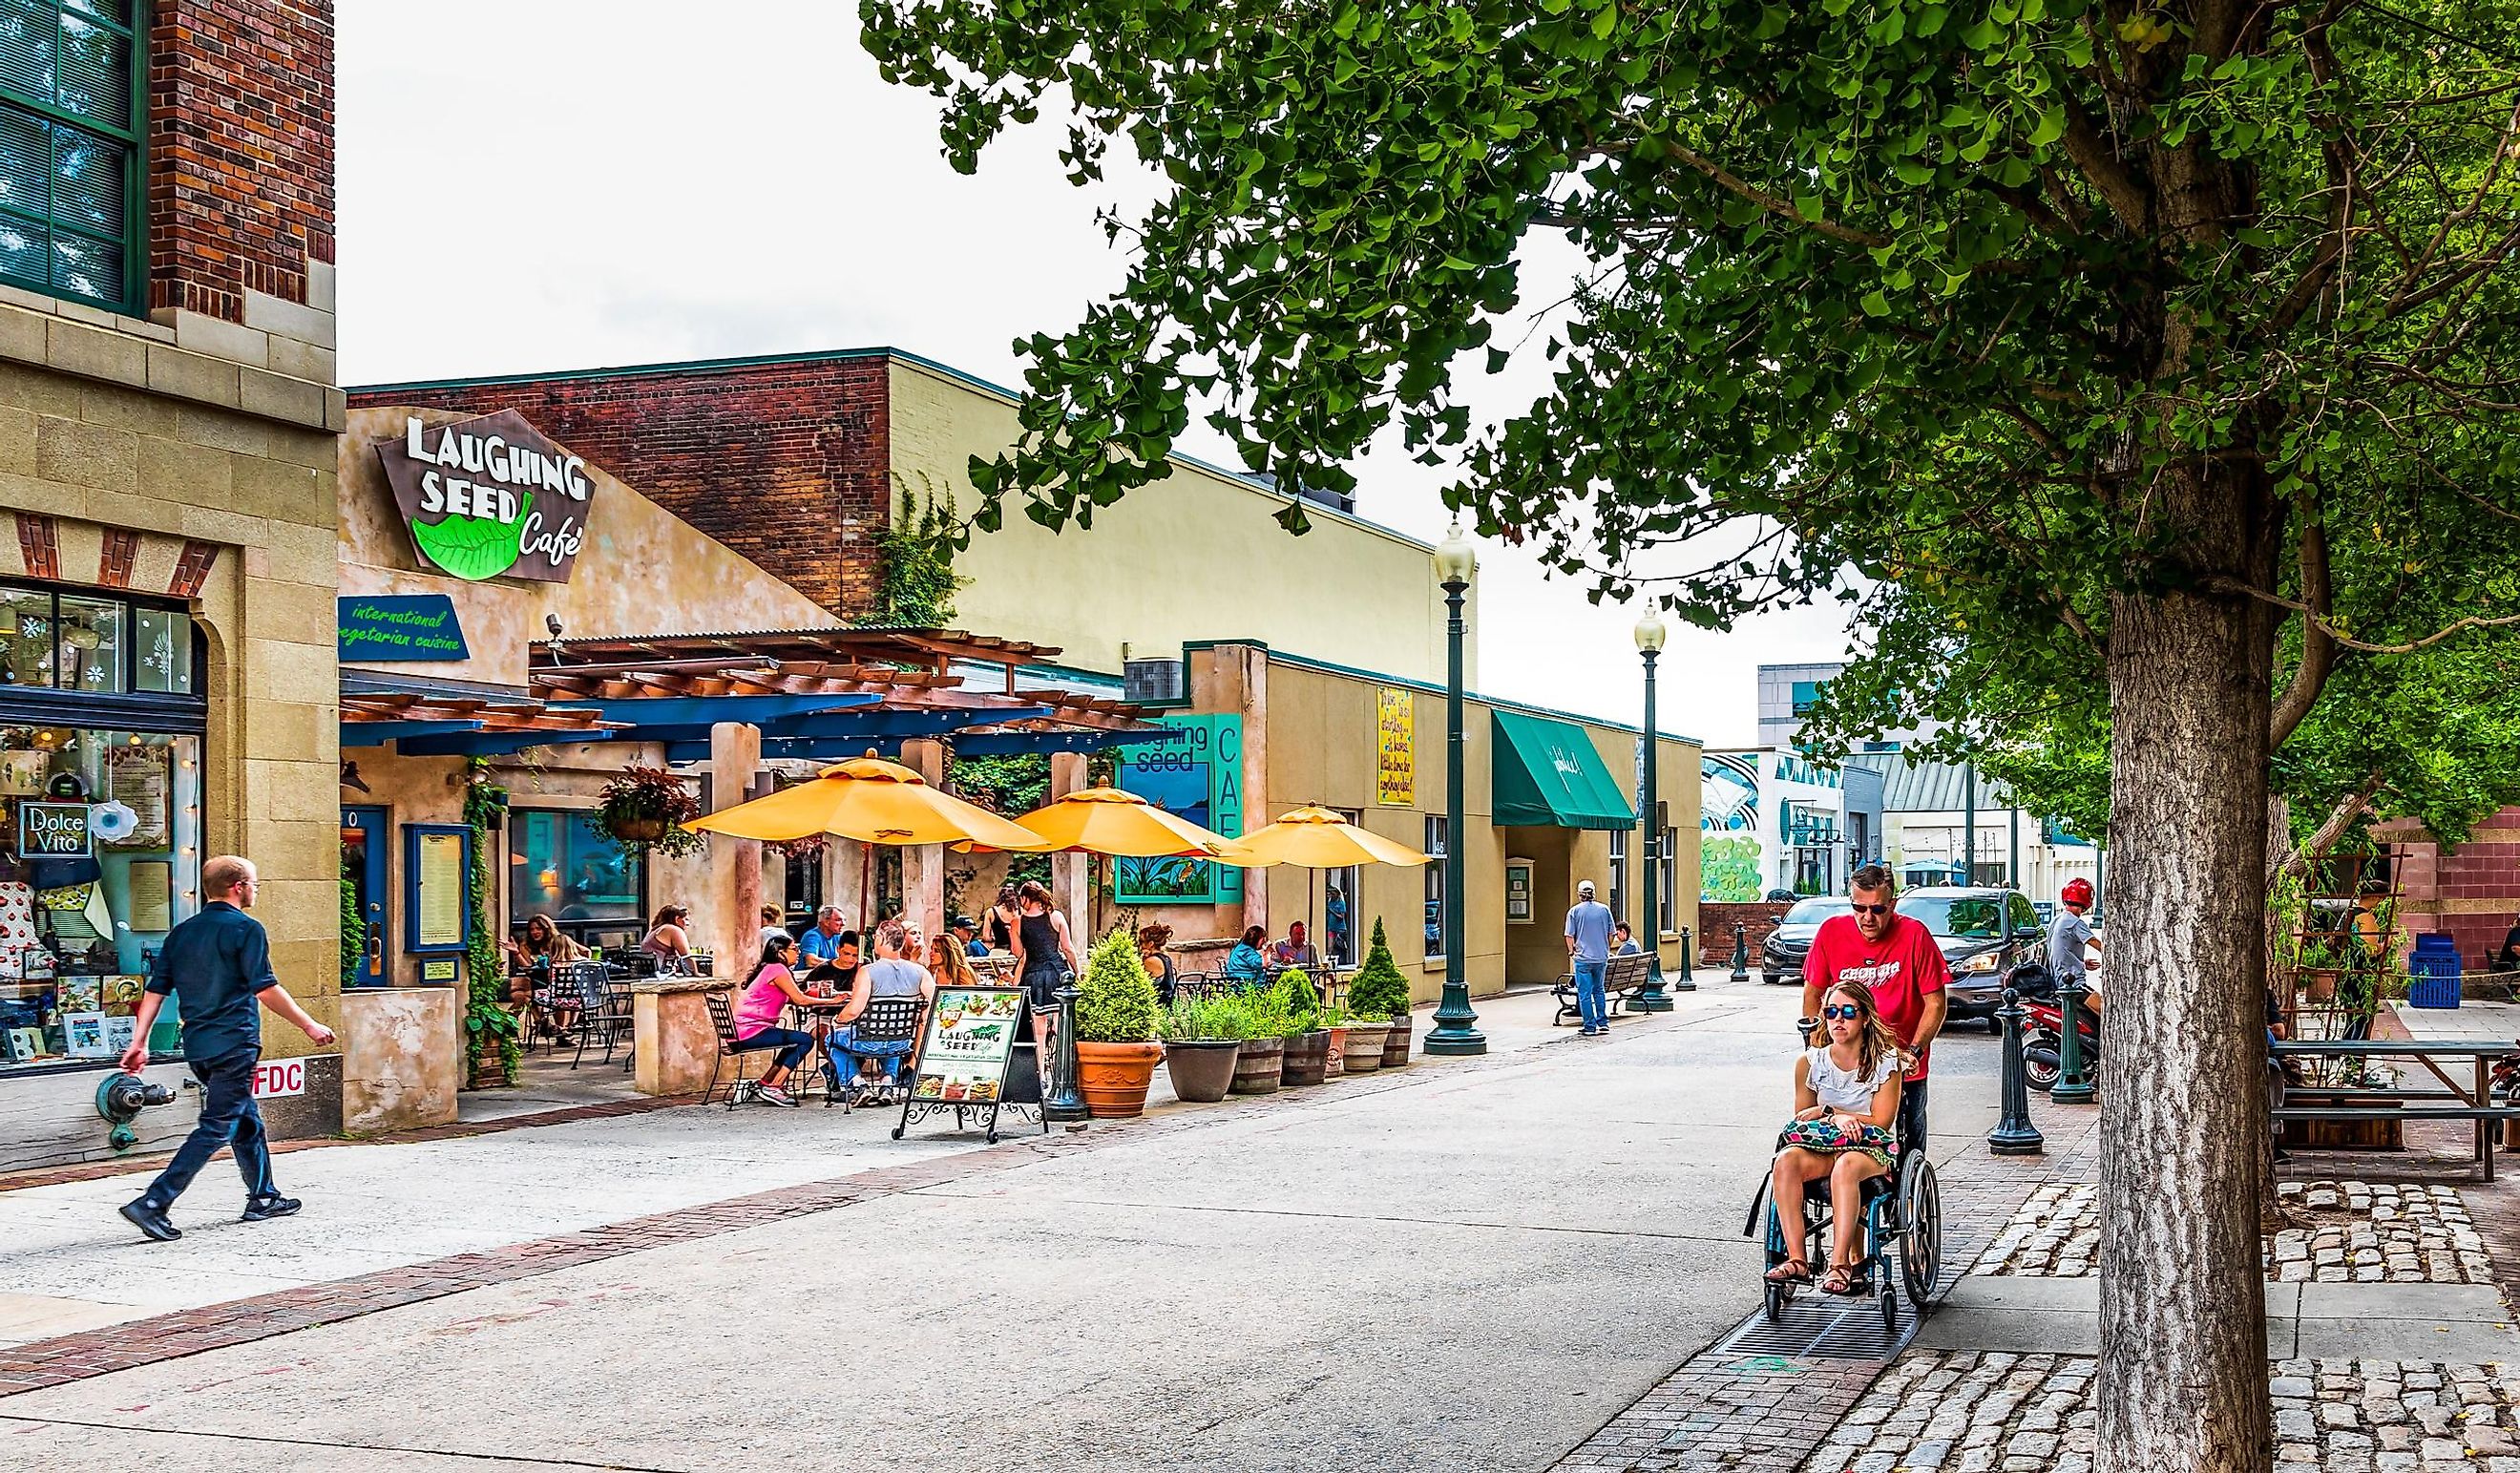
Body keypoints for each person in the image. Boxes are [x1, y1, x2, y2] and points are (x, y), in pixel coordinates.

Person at [116, 856, 336, 1241]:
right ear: (238, 887)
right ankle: (154, 1202)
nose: (256, 890)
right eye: (255, 883)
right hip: (235, 1042)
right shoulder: (246, 929)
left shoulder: (182, 933)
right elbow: (265, 988)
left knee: (245, 1118)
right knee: (218, 1126)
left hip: (199, 1045)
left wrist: (140, 1042)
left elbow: (155, 991)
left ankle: (264, 1196)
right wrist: (309, 1024)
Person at [1765, 979, 1905, 1294]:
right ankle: (1798, 1260)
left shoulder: (1886, 1063)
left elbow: (1881, 1122)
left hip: (1870, 1148)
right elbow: (1803, 1121)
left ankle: (1840, 1264)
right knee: (1786, 1161)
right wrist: (1832, 1118)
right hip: (1823, 1144)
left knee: (1845, 1168)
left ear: (1865, 1017)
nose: (1838, 1019)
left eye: (1847, 1012)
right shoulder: (1810, 1063)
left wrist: (1833, 1112)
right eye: (1831, 1012)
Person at [1800, 864, 1948, 1154]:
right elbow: (1813, 993)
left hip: (1901, 1059)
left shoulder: (1915, 935)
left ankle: (1903, 1194)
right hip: (1847, 1060)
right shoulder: (1831, 932)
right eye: (1859, 908)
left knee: (1908, 1143)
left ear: (1892, 904)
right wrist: (1816, 1044)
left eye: (1878, 910)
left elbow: (1935, 1002)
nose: (1868, 918)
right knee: (1826, 1129)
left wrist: (1914, 1052)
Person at [726, 934, 850, 1106]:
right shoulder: (777, 969)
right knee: (805, 1039)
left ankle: (765, 1083)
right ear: (780, 953)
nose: (798, 952)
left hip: (742, 1031)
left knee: (796, 1040)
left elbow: (794, 998)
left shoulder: (770, 968)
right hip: (750, 1031)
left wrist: (814, 997)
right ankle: (775, 1086)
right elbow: (800, 1000)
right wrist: (832, 1001)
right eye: (794, 949)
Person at [832, 920, 936, 1099]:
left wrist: (838, 1020)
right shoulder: (920, 972)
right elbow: (937, 1001)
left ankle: (857, 1084)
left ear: (880, 940)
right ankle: (888, 1083)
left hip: (868, 1041)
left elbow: (853, 1011)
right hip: (902, 1043)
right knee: (893, 1033)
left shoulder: (867, 971)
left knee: (833, 1038)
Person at [1011, 880, 1080, 1058]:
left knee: (1038, 1031)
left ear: (1025, 898)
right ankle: (1060, 1066)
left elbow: (1018, 952)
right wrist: (1077, 972)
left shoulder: (1017, 922)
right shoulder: (1055, 916)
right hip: (1057, 972)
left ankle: (1041, 1073)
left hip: (1032, 975)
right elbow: (1067, 948)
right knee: (1061, 1023)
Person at [1564, 878, 1617, 1036]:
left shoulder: (1574, 912)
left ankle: (1589, 1025)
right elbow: (1611, 933)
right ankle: (1603, 1022)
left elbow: (1569, 935)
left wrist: (1571, 951)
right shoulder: (1604, 910)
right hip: (1601, 958)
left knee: (1585, 993)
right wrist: (1605, 947)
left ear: (1580, 894)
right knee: (1599, 990)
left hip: (1583, 959)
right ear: (1593, 893)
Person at [2047, 876, 2103, 1011]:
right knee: (2105, 1009)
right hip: (2073, 983)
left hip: (2057, 979)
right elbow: (2097, 944)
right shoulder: (2075, 923)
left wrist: (2081, 963)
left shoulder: (2057, 920)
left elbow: (2059, 951)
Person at [640, 904, 694, 974]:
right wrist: (696, 973)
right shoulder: (673, 930)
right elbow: (687, 957)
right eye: (686, 919)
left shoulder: (654, 930)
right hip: (661, 973)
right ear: (677, 919)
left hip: (647, 972)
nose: (688, 923)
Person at [1138, 924, 1179, 1008]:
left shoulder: (1151, 961)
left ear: (1151, 943)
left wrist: (1142, 959)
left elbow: (1136, 980)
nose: (1140, 945)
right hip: (1166, 1006)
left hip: (1156, 1008)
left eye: (1142, 941)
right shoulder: (1166, 958)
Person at [985, 884, 1020, 954]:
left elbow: (986, 937)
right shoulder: (1021, 911)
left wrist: (993, 938)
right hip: (1017, 952)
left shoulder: (991, 912)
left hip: (999, 951)